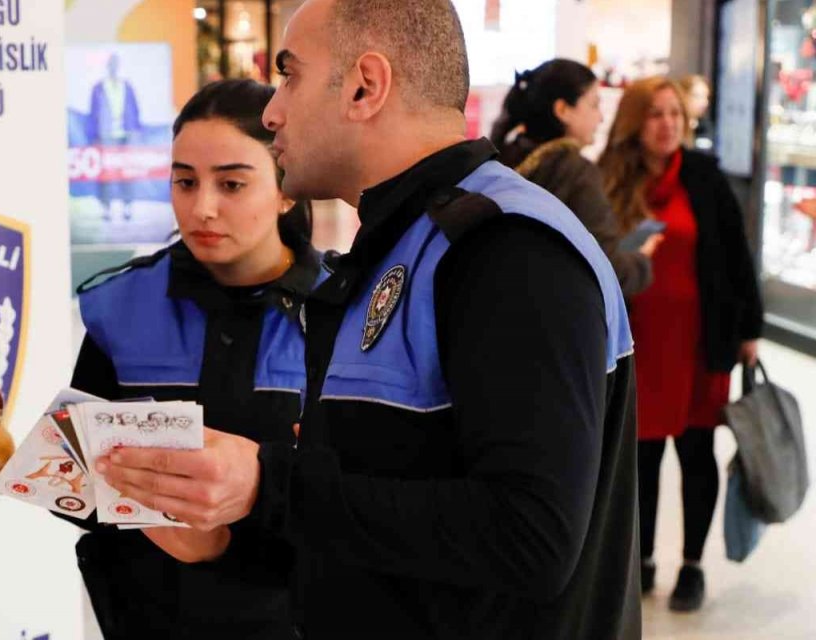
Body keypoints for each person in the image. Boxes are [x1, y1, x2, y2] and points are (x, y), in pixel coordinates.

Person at [96, 1, 642, 638]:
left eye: (289, 75)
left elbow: (531, 535)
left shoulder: (505, 250)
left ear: (365, 86)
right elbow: (384, 514)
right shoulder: (400, 248)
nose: (271, 111)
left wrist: (266, 483)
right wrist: (224, 536)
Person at [71, 79, 321, 639]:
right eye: (184, 182)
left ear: (286, 189)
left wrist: (230, 539)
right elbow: (70, 469)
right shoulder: (122, 307)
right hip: (149, 616)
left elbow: (369, 500)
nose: (202, 207)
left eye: (231, 183)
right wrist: (141, 517)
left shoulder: (344, 314)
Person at [598, 76, 763, 612]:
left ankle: (691, 565)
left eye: (675, 113)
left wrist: (750, 329)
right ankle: (640, 560)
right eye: (655, 114)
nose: (668, 124)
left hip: (698, 341)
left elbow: (737, 254)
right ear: (633, 121)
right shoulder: (608, 179)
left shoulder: (704, 177)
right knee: (639, 457)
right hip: (637, 344)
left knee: (696, 453)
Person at [493, 58, 660, 295]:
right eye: (593, 104)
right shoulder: (575, 172)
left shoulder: (503, 157)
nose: (600, 118)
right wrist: (641, 259)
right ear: (563, 110)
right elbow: (609, 271)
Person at [90, 52, 143, 221]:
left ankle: (127, 207)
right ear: (107, 66)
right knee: (106, 173)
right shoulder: (99, 87)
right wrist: (94, 136)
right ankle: (106, 208)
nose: (113, 66)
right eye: (110, 63)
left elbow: (135, 109)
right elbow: (93, 114)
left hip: (126, 134)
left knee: (126, 172)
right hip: (105, 135)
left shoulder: (126, 86)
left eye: (115, 63)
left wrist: (136, 131)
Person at [678, 74, 714, 150]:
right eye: (697, 96)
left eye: (706, 97)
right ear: (683, 96)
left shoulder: (706, 127)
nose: (704, 102)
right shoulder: (674, 127)